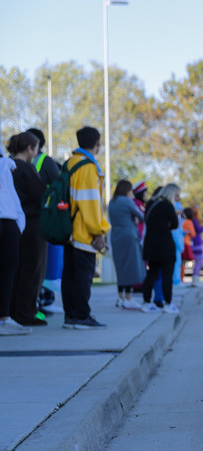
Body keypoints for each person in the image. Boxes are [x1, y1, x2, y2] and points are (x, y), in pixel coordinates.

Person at [62, 127, 111, 330]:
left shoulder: (69, 163)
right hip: (84, 232)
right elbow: (90, 203)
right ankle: (82, 316)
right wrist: (98, 231)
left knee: (70, 274)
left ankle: (71, 316)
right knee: (83, 275)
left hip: (68, 229)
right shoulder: (89, 167)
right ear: (97, 144)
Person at [8, 132, 47, 326]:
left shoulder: (8, 167)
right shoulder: (27, 169)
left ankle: (12, 310)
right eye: (36, 148)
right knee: (33, 268)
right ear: (30, 148)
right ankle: (26, 312)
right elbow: (41, 196)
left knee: (16, 268)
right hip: (32, 223)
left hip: (13, 223)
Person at [0, 139, 28, 335]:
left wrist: (19, 222)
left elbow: (9, 191)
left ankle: (3, 317)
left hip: (8, 218)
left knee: (9, 265)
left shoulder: (4, 159)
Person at [141, 184, 181, 314]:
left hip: (151, 244)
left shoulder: (151, 204)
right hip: (165, 245)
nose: (177, 198)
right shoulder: (168, 206)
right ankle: (167, 303)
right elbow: (175, 224)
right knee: (167, 276)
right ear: (171, 194)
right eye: (176, 195)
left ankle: (146, 302)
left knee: (151, 274)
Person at [108, 179, 146, 309]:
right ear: (126, 190)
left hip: (116, 237)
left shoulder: (111, 203)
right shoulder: (127, 201)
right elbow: (141, 216)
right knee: (130, 267)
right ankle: (128, 298)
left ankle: (120, 297)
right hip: (129, 237)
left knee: (120, 267)